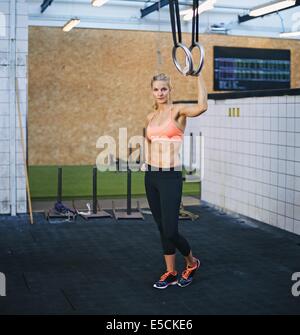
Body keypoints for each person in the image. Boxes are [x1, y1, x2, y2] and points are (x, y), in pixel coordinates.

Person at [143, 72, 207, 289]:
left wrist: (198, 77)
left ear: (170, 90)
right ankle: (170, 271)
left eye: (164, 89)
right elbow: (148, 140)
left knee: (171, 230)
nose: (160, 93)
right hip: (151, 176)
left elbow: (202, 107)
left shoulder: (177, 111)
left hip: (170, 176)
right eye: (156, 89)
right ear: (152, 92)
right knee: (162, 228)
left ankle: (191, 262)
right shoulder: (150, 117)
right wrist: (146, 160)